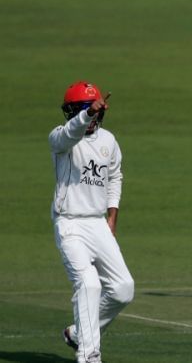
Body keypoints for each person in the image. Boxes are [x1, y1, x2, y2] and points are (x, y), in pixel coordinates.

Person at [49, 81, 134, 363]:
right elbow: (72, 131)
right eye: (85, 110)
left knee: (122, 289)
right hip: (69, 223)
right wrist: (85, 115)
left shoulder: (108, 141)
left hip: (97, 223)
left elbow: (114, 177)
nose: (92, 116)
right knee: (89, 285)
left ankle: (77, 335)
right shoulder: (60, 139)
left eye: (95, 110)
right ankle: (89, 355)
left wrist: (112, 216)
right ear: (72, 112)